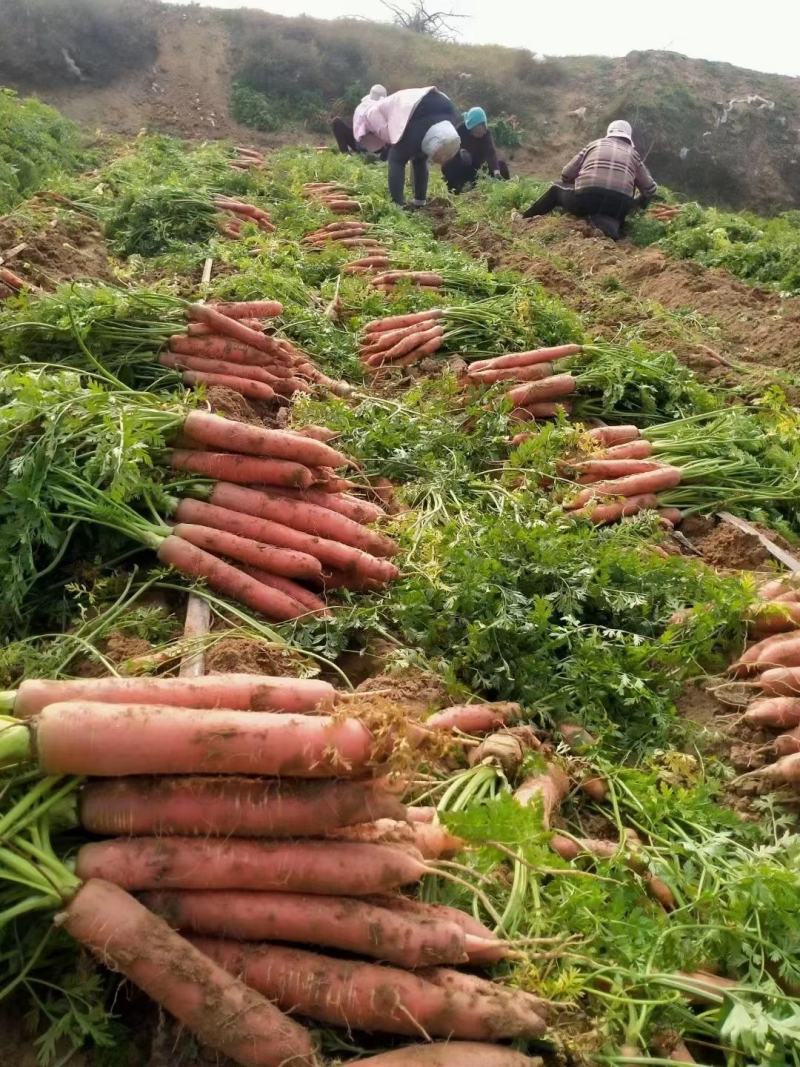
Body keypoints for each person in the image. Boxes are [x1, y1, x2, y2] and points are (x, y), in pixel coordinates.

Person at [522, 120, 657, 239]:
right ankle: (611, 224)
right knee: (623, 203)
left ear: (609, 133)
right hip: (618, 207)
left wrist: (581, 181)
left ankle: (525, 219)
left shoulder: (594, 145)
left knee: (556, 190)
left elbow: (566, 174)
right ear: (628, 137)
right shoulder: (634, 155)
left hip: (587, 199)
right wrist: (639, 202)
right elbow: (650, 188)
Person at [354, 86, 461, 208]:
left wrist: (397, 148)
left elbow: (387, 134)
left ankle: (397, 206)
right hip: (446, 107)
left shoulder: (371, 112)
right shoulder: (389, 102)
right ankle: (420, 201)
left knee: (396, 159)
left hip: (422, 113)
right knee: (419, 158)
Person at [441, 107, 511, 193]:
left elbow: (491, 153)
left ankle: (506, 189)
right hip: (461, 166)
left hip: (477, 169)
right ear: (470, 127)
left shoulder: (486, 135)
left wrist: (496, 171)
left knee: (501, 166)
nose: (480, 133)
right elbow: (448, 148)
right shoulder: (461, 129)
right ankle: (455, 187)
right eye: (476, 131)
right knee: (450, 165)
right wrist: (460, 152)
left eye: (482, 130)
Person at [331, 85, 389, 159]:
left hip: (365, 145)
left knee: (336, 122)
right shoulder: (372, 109)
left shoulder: (361, 107)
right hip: (368, 146)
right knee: (337, 122)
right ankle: (346, 155)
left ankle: (381, 159)